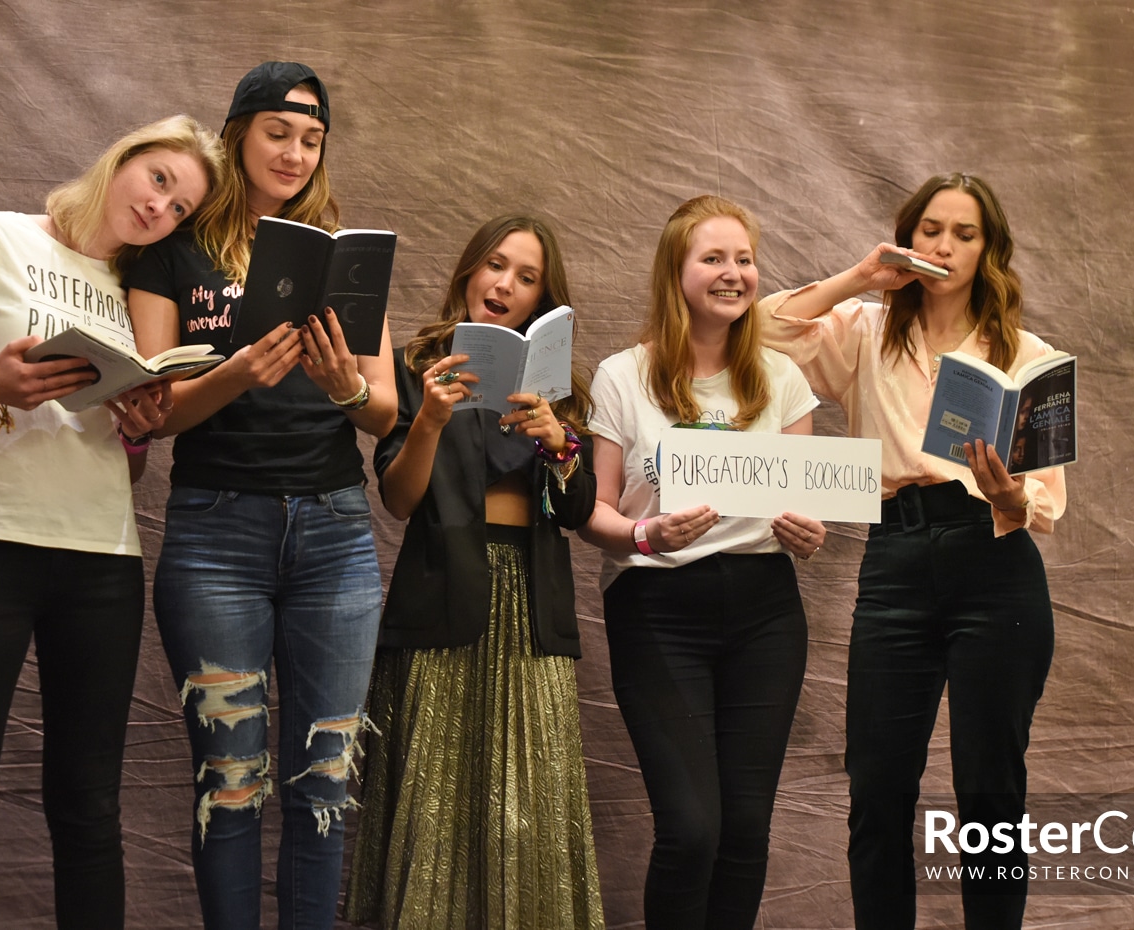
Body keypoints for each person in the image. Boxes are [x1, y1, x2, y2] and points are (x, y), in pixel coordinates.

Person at [0, 114, 220, 929]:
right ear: (124, 159)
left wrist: (137, 425)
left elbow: (126, 457)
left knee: (90, 814)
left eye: (180, 210)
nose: (160, 209)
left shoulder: (143, 292)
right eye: (159, 180)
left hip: (101, 561)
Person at [121, 62, 397, 930]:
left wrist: (344, 383)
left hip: (336, 537)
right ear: (237, 131)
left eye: (312, 139)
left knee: (324, 789)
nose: (295, 152)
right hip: (215, 538)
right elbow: (153, 410)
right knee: (230, 785)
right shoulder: (175, 247)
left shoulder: (339, 249)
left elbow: (383, 406)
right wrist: (238, 373)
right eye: (279, 131)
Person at [756, 172, 1066, 930]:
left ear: (988, 249)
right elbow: (765, 331)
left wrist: (1007, 495)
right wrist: (861, 277)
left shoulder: (1027, 354)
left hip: (995, 565)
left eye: (965, 233)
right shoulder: (866, 329)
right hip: (894, 558)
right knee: (878, 787)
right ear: (909, 234)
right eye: (931, 228)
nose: (945, 245)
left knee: (990, 791)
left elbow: (1045, 499)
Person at [344, 214, 604, 930]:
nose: (505, 284)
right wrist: (428, 418)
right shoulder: (416, 362)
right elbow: (399, 499)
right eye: (496, 266)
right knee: (437, 808)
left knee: (528, 810)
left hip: (533, 608)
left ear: (540, 302)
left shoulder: (558, 385)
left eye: (526, 278)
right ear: (468, 273)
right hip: (442, 600)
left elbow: (577, 510)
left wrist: (560, 444)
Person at [577, 195, 824, 930]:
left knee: (745, 833)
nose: (733, 273)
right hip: (657, 609)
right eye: (713, 258)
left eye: (744, 259)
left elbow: (805, 506)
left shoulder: (782, 380)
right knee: (692, 829)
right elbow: (596, 511)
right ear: (675, 272)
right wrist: (646, 536)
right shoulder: (623, 376)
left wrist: (806, 534)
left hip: (765, 611)